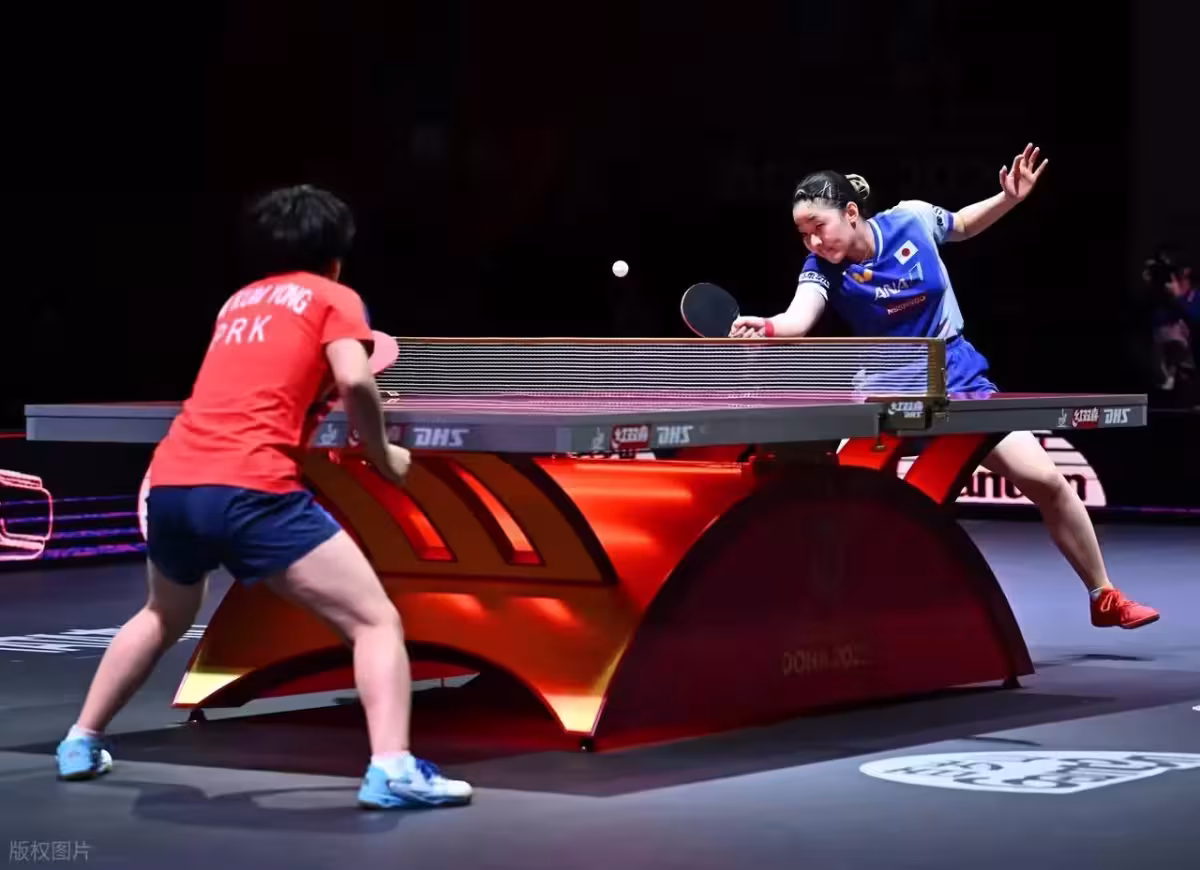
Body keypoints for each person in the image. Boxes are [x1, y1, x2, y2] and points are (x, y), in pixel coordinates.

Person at [54, 185, 473, 809]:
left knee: (163, 613)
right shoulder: (334, 297)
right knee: (374, 620)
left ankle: (80, 741)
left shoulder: (238, 302)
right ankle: (393, 769)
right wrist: (383, 454)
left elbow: (267, 380)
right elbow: (355, 379)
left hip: (173, 482)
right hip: (251, 487)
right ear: (336, 256)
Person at [730, 144, 1159, 630]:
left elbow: (963, 225)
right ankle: (820, 619)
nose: (812, 241)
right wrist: (767, 327)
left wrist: (1009, 199)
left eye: (818, 227)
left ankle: (1103, 595)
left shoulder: (911, 220)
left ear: (850, 213)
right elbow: (798, 317)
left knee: (1048, 481)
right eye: (803, 233)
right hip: (887, 391)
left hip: (958, 376)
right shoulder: (821, 270)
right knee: (844, 503)